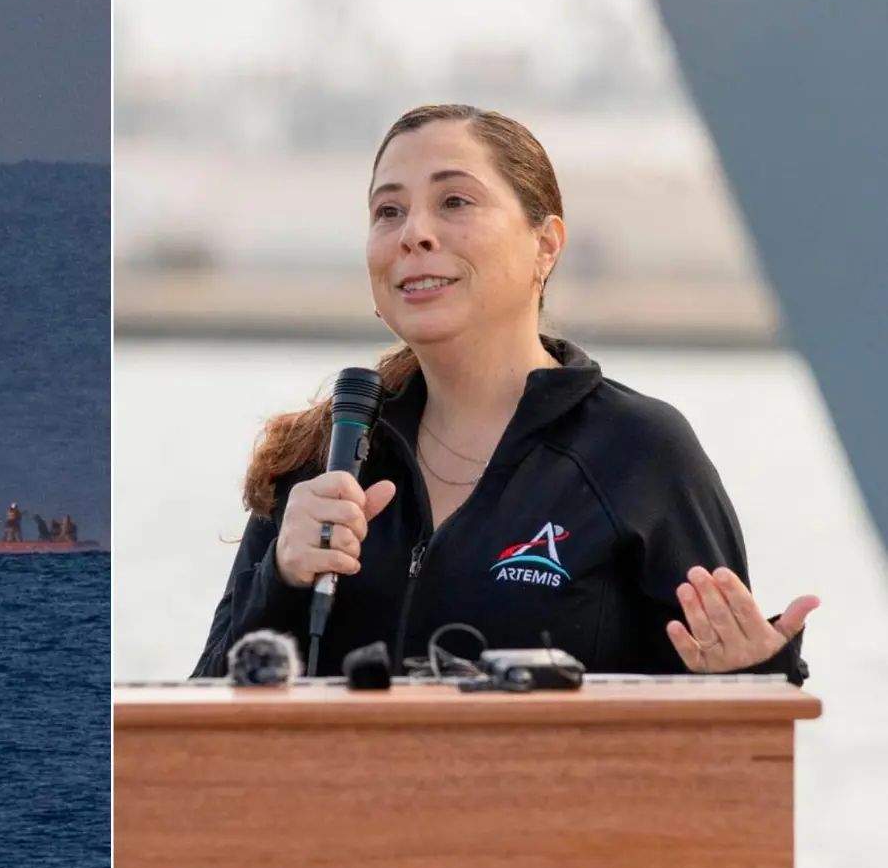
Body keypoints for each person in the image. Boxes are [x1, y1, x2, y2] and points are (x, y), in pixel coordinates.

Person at [193, 104, 819, 683]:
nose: (414, 233)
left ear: (545, 245)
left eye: (455, 201)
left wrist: (752, 673)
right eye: (389, 211)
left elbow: (721, 722)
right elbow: (194, 718)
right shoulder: (324, 456)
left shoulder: (638, 451)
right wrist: (279, 580)